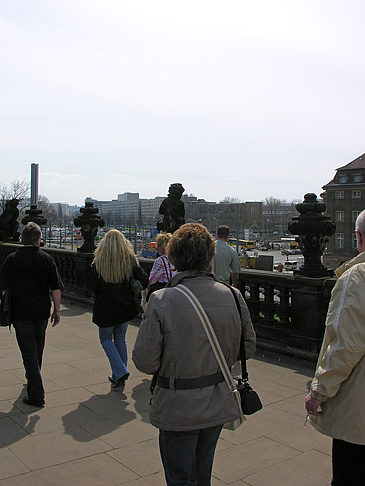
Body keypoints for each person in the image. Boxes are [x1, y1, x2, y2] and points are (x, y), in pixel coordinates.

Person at [133, 223, 256, 486]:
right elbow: (248, 347)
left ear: (174, 257)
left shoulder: (162, 300)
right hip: (217, 400)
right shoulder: (233, 296)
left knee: (179, 476)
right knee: (203, 472)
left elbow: (144, 361)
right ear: (209, 256)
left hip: (178, 406)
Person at [305, 209, 365, 486]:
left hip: (359, 413)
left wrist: (319, 391)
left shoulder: (356, 278)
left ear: (358, 238)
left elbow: (346, 345)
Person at [0, 222, 63, 407]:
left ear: (22, 239)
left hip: (20, 312)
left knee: (28, 351)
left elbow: (1, 285)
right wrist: (57, 310)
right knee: (38, 347)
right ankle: (33, 377)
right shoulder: (46, 258)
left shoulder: (12, 259)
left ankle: (36, 393)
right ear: (38, 240)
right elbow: (56, 288)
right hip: (42, 311)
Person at [91, 229, 148, 390]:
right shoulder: (129, 259)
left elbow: (92, 286)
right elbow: (145, 280)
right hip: (125, 306)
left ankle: (120, 371)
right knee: (120, 339)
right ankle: (119, 376)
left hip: (105, 307)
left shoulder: (99, 261)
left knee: (106, 339)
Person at [145, 232, 177, 303]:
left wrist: (147, 289)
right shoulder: (176, 259)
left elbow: (152, 278)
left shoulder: (160, 261)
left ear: (163, 247)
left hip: (162, 291)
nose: (156, 247)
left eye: (158, 245)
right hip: (175, 290)